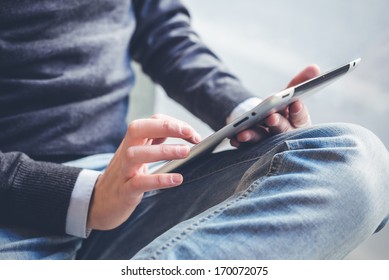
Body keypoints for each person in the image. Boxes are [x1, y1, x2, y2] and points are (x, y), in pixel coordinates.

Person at [0, 0, 388, 260]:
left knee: (359, 165)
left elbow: (162, 31)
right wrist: (83, 198)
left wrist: (247, 111)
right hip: (15, 209)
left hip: (124, 185)